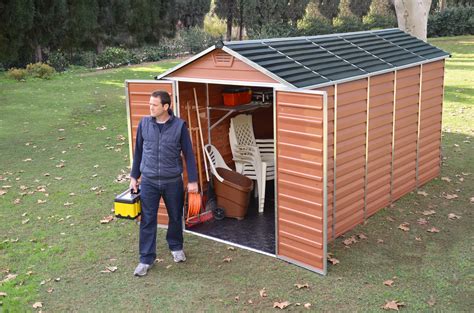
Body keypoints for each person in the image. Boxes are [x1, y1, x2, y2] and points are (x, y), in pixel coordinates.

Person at [129, 90, 198, 277]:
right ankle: (145, 259)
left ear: (166, 107)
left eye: (154, 105)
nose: (150, 107)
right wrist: (134, 177)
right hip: (149, 181)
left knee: (175, 216)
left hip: (172, 182)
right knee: (147, 220)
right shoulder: (144, 124)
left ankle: (176, 247)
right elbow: (138, 152)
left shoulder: (179, 126)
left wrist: (192, 180)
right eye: (149, 104)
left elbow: (189, 155)